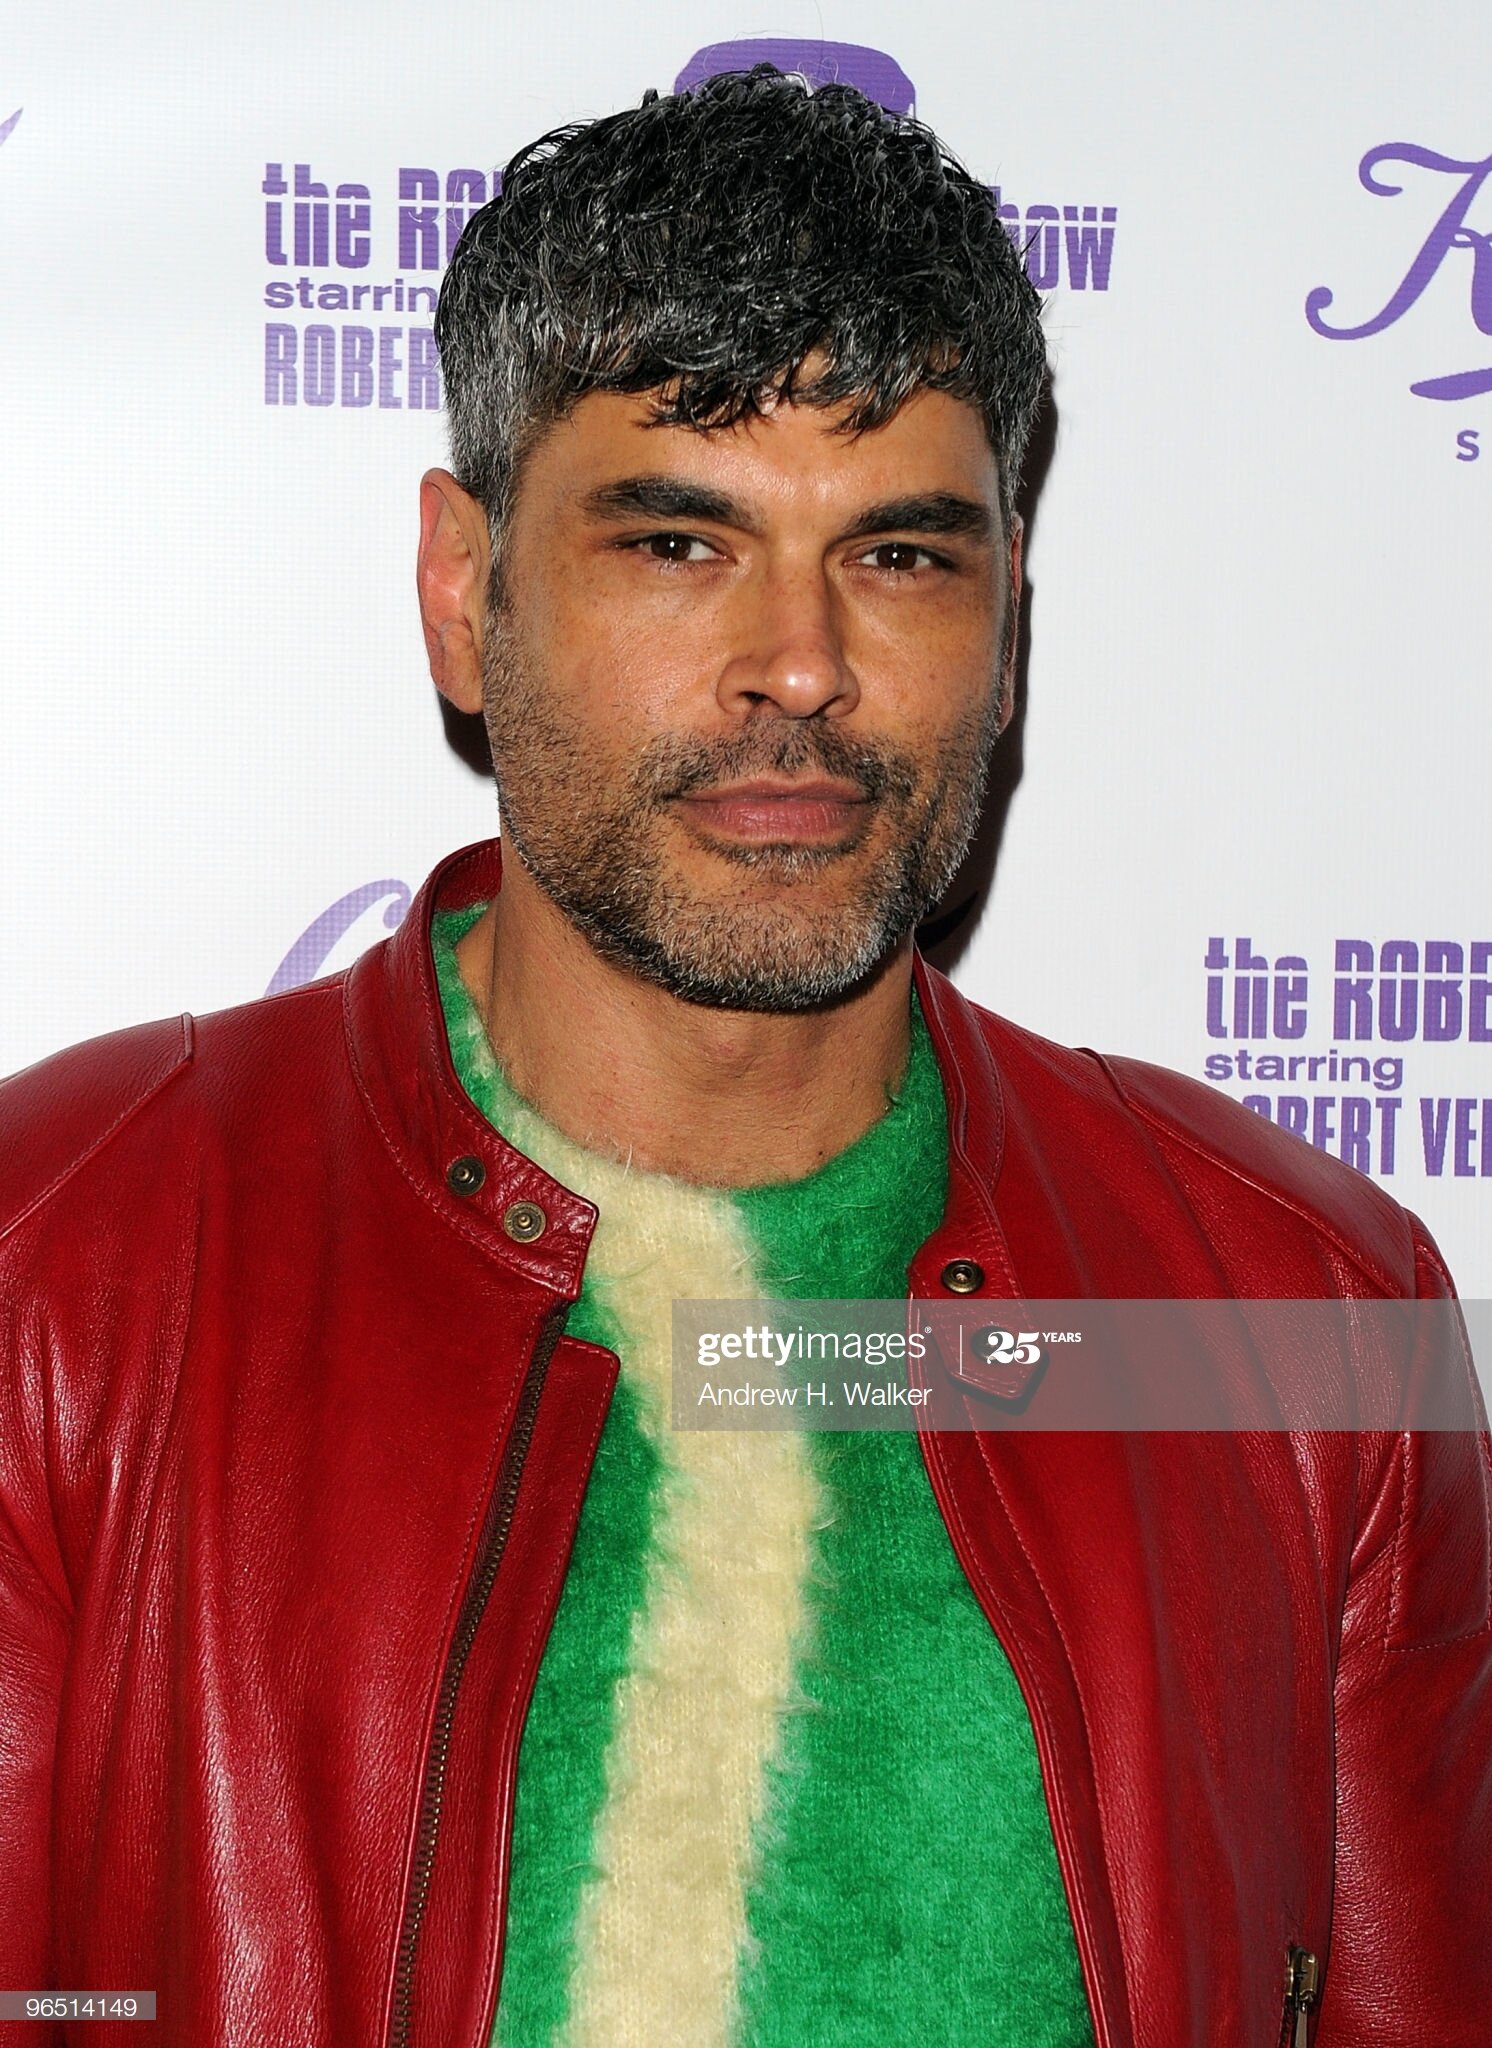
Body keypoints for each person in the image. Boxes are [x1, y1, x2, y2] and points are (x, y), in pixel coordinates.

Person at [1, 66, 1487, 2048]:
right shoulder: (58, 1261)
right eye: (678, 543)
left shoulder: (1302, 1314)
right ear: (466, 593)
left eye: (899, 555)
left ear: (1008, 615)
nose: (798, 663)